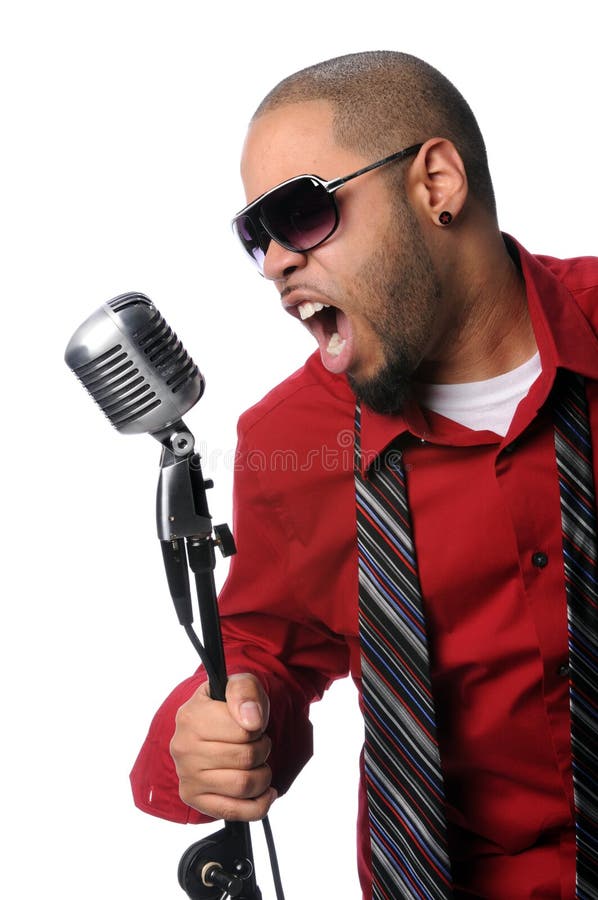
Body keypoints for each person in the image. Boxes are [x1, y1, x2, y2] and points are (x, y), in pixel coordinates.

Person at [130, 51, 598, 899]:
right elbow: (267, 650)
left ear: (436, 184)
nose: (274, 261)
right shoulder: (290, 442)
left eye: (302, 213)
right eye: (255, 236)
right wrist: (212, 735)